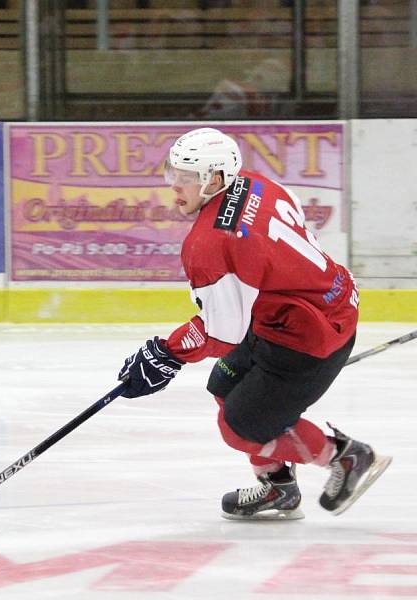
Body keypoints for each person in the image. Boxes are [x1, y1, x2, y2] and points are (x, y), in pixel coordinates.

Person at [118, 127, 391, 520]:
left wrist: (167, 353)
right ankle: (278, 488)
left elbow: (221, 332)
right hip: (317, 308)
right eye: (173, 175)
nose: (175, 187)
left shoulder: (209, 243)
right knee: (225, 385)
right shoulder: (259, 184)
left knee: (240, 428)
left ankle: (346, 458)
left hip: (306, 340)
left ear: (214, 179)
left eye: (186, 179)